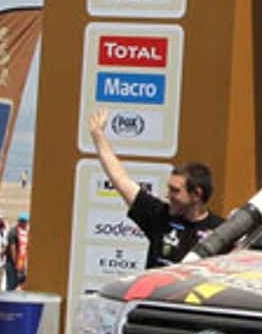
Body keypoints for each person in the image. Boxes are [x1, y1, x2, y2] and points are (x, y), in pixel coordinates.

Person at [88, 108, 220, 267]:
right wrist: (98, 136)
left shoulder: (221, 232)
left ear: (197, 194)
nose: (168, 195)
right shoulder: (160, 216)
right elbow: (121, 180)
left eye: (175, 191)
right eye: (169, 189)